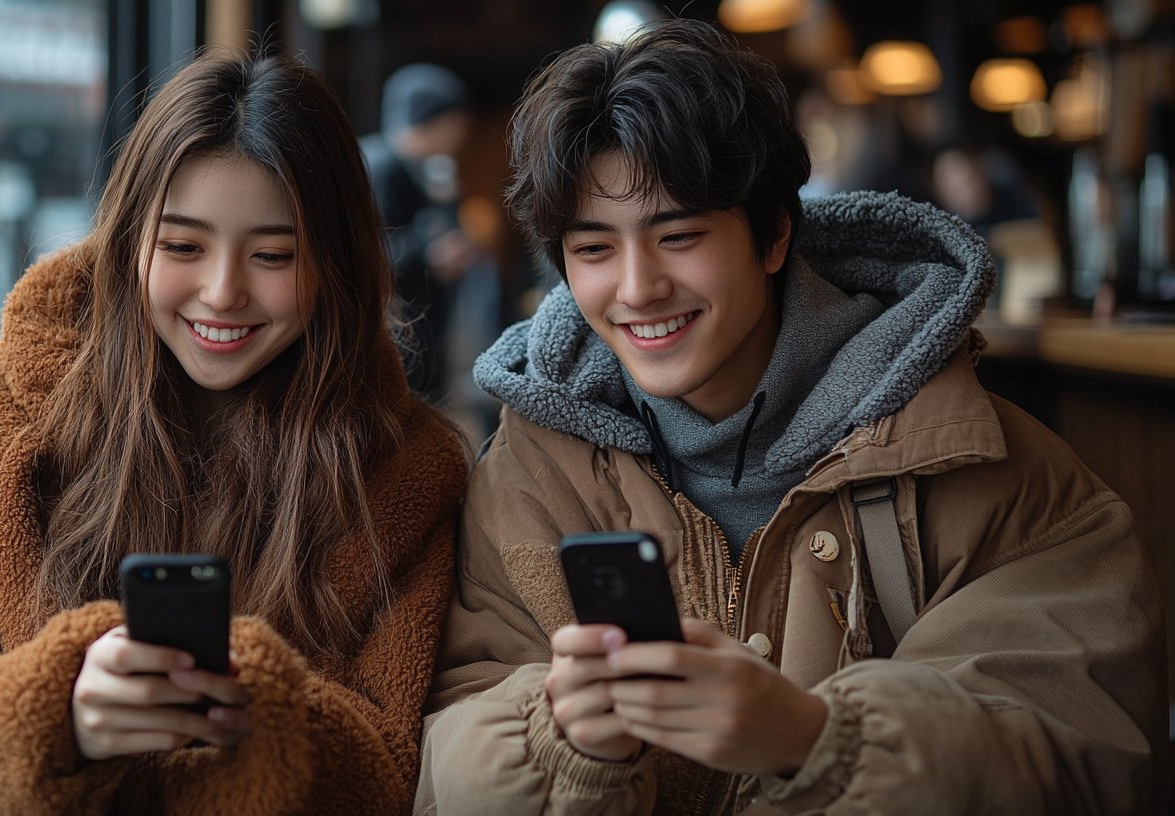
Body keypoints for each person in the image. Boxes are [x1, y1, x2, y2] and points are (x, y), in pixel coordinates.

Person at [416, 19, 1164, 815]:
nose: (637, 289)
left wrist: (814, 737)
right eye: (594, 249)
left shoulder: (986, 464)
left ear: (774, 235)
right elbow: (444, 753)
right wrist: (561, 742)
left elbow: (1083, 757)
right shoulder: (531, 472)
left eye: (679, 235)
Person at [0, 49, 468, 815]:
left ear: (337, 265)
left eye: (273, 254)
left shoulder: (406, 472)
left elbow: (397, 769)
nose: (223, 291)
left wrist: (263, 713)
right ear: (129, 241)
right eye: (182, 247)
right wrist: (49, 713)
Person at [361, 63, 475, 402]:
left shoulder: (424, 170)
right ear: (438, 120)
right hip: (392, 332)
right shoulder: (379, 167)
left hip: (416, 329)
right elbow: (369, 253)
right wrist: (428, 252)